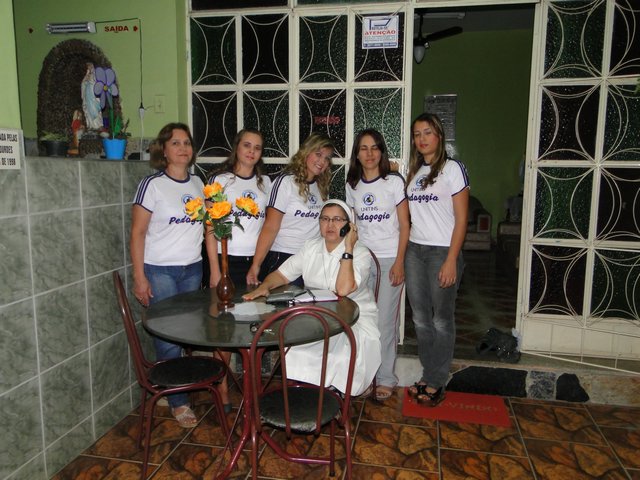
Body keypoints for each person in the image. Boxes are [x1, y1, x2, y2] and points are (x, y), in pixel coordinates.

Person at [243, 199, 381, 396]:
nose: (330, 224)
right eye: (325, 219)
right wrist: (264, 287)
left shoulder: (360, 253)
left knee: (340, 353)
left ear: (349, 226)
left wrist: (348, 249)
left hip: (355, 318)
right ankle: (312, 394)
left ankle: (334, 392)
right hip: (317, 316)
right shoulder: (311, 247)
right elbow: (282, 274)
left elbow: (343, 289)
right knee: (297, 348)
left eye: (337, 219)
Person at [130, 122, 211, 428]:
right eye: (175, 143)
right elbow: (137, 233)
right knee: (167, 334)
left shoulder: (198, 183)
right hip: (160, 270)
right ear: (163, 150)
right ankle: (179, 402)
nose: (182, 148)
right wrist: (140, 277)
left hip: (192, 268)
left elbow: (208, 227)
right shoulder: (152, 185)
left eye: (186, 143)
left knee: (184, 332)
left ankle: (172, 385)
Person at [405, 113, 469, 407]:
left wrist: (451, 259)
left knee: (441, 319)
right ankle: (428, 373)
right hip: (414, 251)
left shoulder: (453, 169)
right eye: (417, 134)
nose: (422, 139)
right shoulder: (415, 171)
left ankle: (437, 379)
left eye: (427, 132)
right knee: (420, 319)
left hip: (442, 251)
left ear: (439, 136)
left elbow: (462, 219)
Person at [204, 128, 271, 411]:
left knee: (253, 323)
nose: (251, 151)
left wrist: (258, 264)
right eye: (247, 145)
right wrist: (214, 270)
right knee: (223, 327)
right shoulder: (220, 181)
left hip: (254, 264)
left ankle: (252, 386)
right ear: (237, 147)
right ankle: (222, 388)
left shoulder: (266, 183)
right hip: (225, 261)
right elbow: (210, 228)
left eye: (257, 147)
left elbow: (268, 227)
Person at [346, 129, 409, 402]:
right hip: (363, 259)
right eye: (363, 148)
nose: (369, 153)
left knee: (385, 321)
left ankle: (385, 378)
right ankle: (365, 376)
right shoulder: (352, 185)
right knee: (362, 319)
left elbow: (405, 224)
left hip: (389, 259)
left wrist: (400, 261)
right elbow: (352, 226)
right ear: (357, 154)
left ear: (381, 151)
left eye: (374, 148)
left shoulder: (393, 182)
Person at [246, 132, 334, 286]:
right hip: (284, 257)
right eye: (318, 154)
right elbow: (270, 227)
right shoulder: (285, 183)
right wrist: (256, 265)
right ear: (306, 152)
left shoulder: (321, 187)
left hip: (312, 259)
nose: (322, 161)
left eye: (327, 158)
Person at [81, 63, 103, 131]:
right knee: (88, 109)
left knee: (94, 109)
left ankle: (97, 126)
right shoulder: (87, 76)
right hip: (88, 96)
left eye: (90, 67)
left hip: (93, 96)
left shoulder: (95, 75)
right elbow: (83, 84)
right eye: (88, 68)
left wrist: (90, 80)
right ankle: (90, 125)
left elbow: (97, 84)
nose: (89, 69)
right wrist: (86, 78)